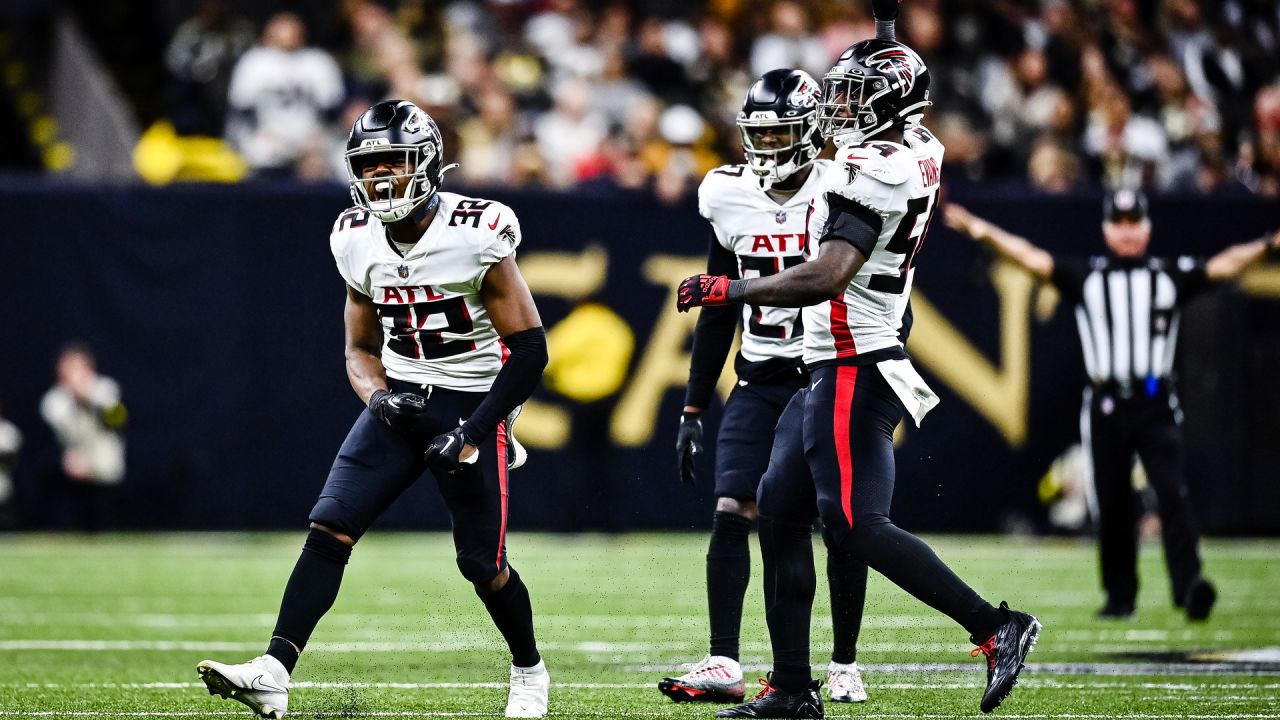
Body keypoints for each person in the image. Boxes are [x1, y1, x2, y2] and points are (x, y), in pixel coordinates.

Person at [677, 7, 1041, 716]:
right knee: (779, 509)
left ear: (890, 106)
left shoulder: (878, 170)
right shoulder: (918, 142)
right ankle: (790, 689)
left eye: (854, 98)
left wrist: (733, 287)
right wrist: (888, 24)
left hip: (854, 357)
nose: (841, 109)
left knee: (852, 523)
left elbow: (827, 274)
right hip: (834, 362)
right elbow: (899, 86)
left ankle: (995, 626)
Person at [197, 100, 550, 719]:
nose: (381, 177)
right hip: (405, 394)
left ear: (429, 162)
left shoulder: (475, 230)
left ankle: (529, 670)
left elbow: (529, 350)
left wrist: (473, 429)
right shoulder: (354, 237)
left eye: (394, 161)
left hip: (474, 397)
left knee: (482, 564)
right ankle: (274, 670)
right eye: (370, 165)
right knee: (330, 525)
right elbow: (359, 350)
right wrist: (380, 398)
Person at [945, 190, 1280, 622]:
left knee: (1172, 492)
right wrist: (981, 230)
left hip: (1155, 400)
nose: (1126, 231)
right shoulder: (1087, 276)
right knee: (1114, 500)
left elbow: (1226, 264)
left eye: (1133, 222)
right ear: (1106, 228)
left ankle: (1189, 585)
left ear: (1146, 227)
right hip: (1106, 404)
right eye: (1118, 222)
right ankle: (1120, 594)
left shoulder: (1168, 277)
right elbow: (1029, 257)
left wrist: (1269, 245)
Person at [662, 68, 869, 707]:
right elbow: (719, 301)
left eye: (782, 130)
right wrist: (695, 403)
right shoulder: (726, 192)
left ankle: (843, 660)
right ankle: (725, 659)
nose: (769, 144)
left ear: (811, 130)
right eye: (760, 132)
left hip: (826, 368)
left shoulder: (843, 187)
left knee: (838, 519)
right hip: (758, 374)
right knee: (732, 507)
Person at [39, 344, 127, 532]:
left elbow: (119, 421)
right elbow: (60, 437)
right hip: (73, 465)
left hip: (104, 464)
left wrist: (90, 398)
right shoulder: (55, 400)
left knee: (104, 517)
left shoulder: (105, 389)